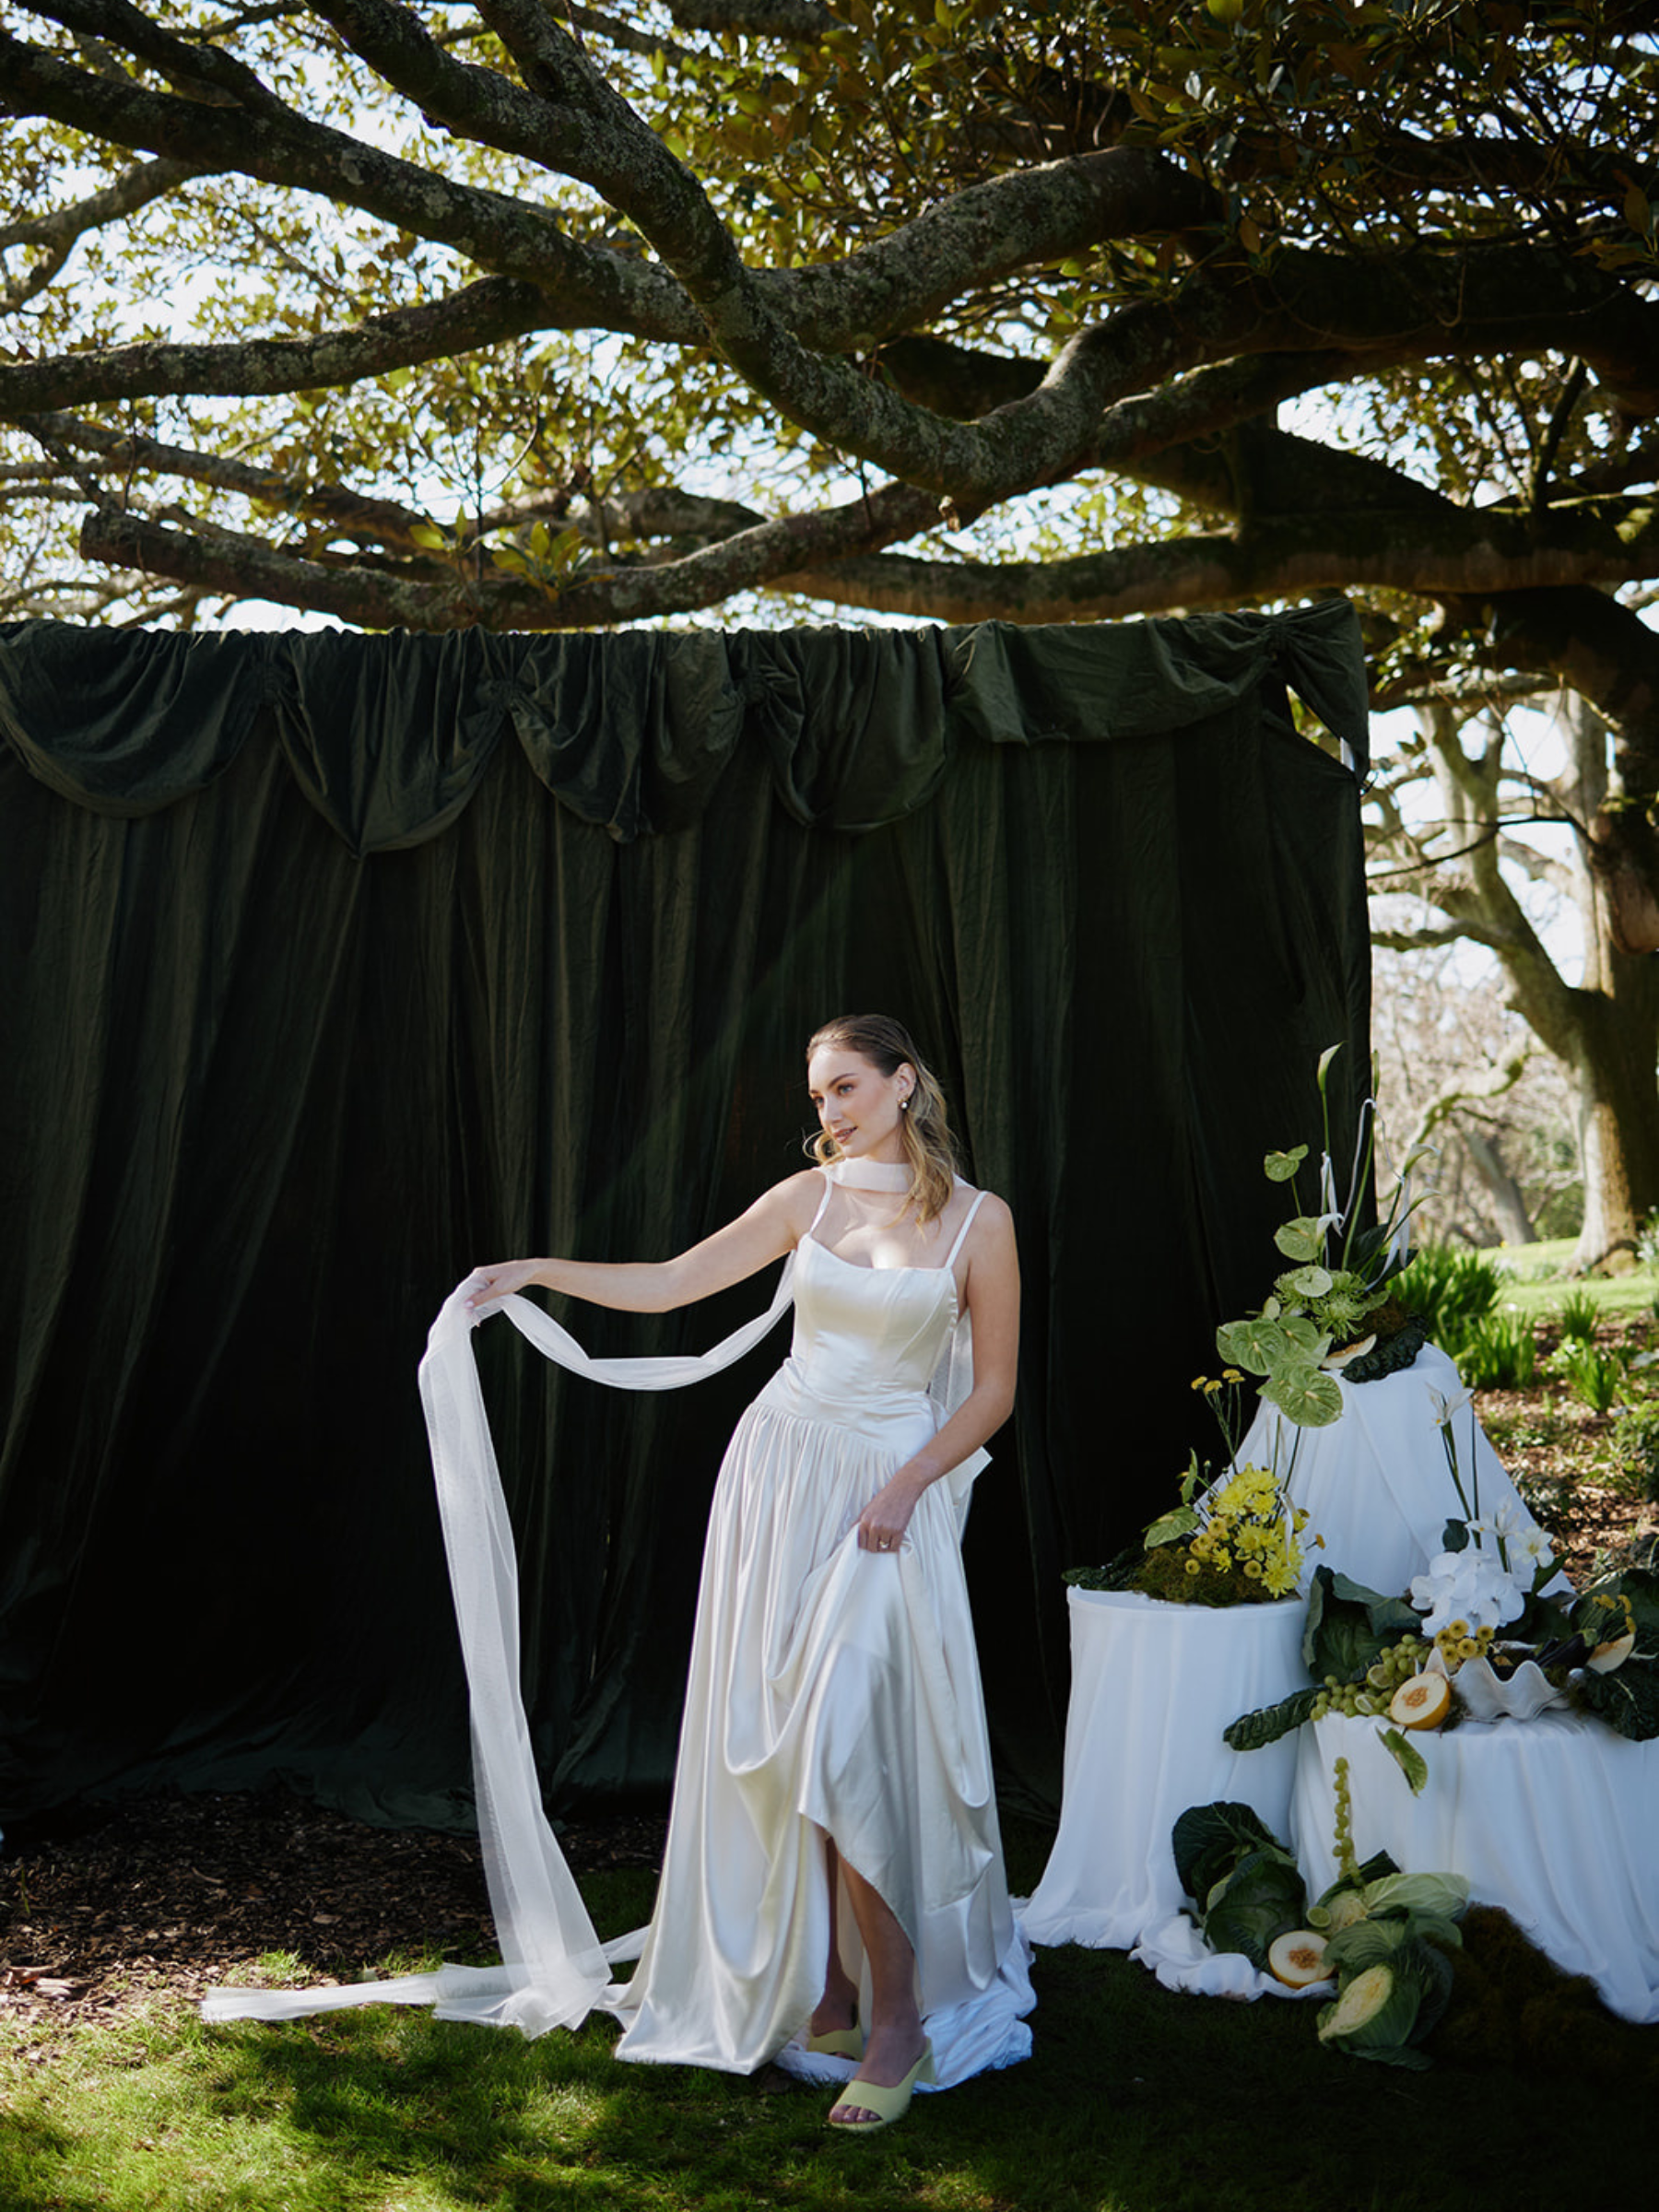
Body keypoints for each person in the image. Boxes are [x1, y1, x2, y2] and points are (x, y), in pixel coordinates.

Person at [206, 1015, 1033, 2129]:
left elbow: (990, 1394)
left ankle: (899, 2021)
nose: (828, 1111)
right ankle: (833, 1993)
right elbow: (674, 1281)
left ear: (904, 1084)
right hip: (779, 1478)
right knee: (786, 1739)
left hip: (891, 1495)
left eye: (845, 1086)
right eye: (818, 1093)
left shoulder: (983, 1222)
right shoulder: (811, 1200)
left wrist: (905, 1488)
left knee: (851, 1740)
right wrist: (538, 1271)